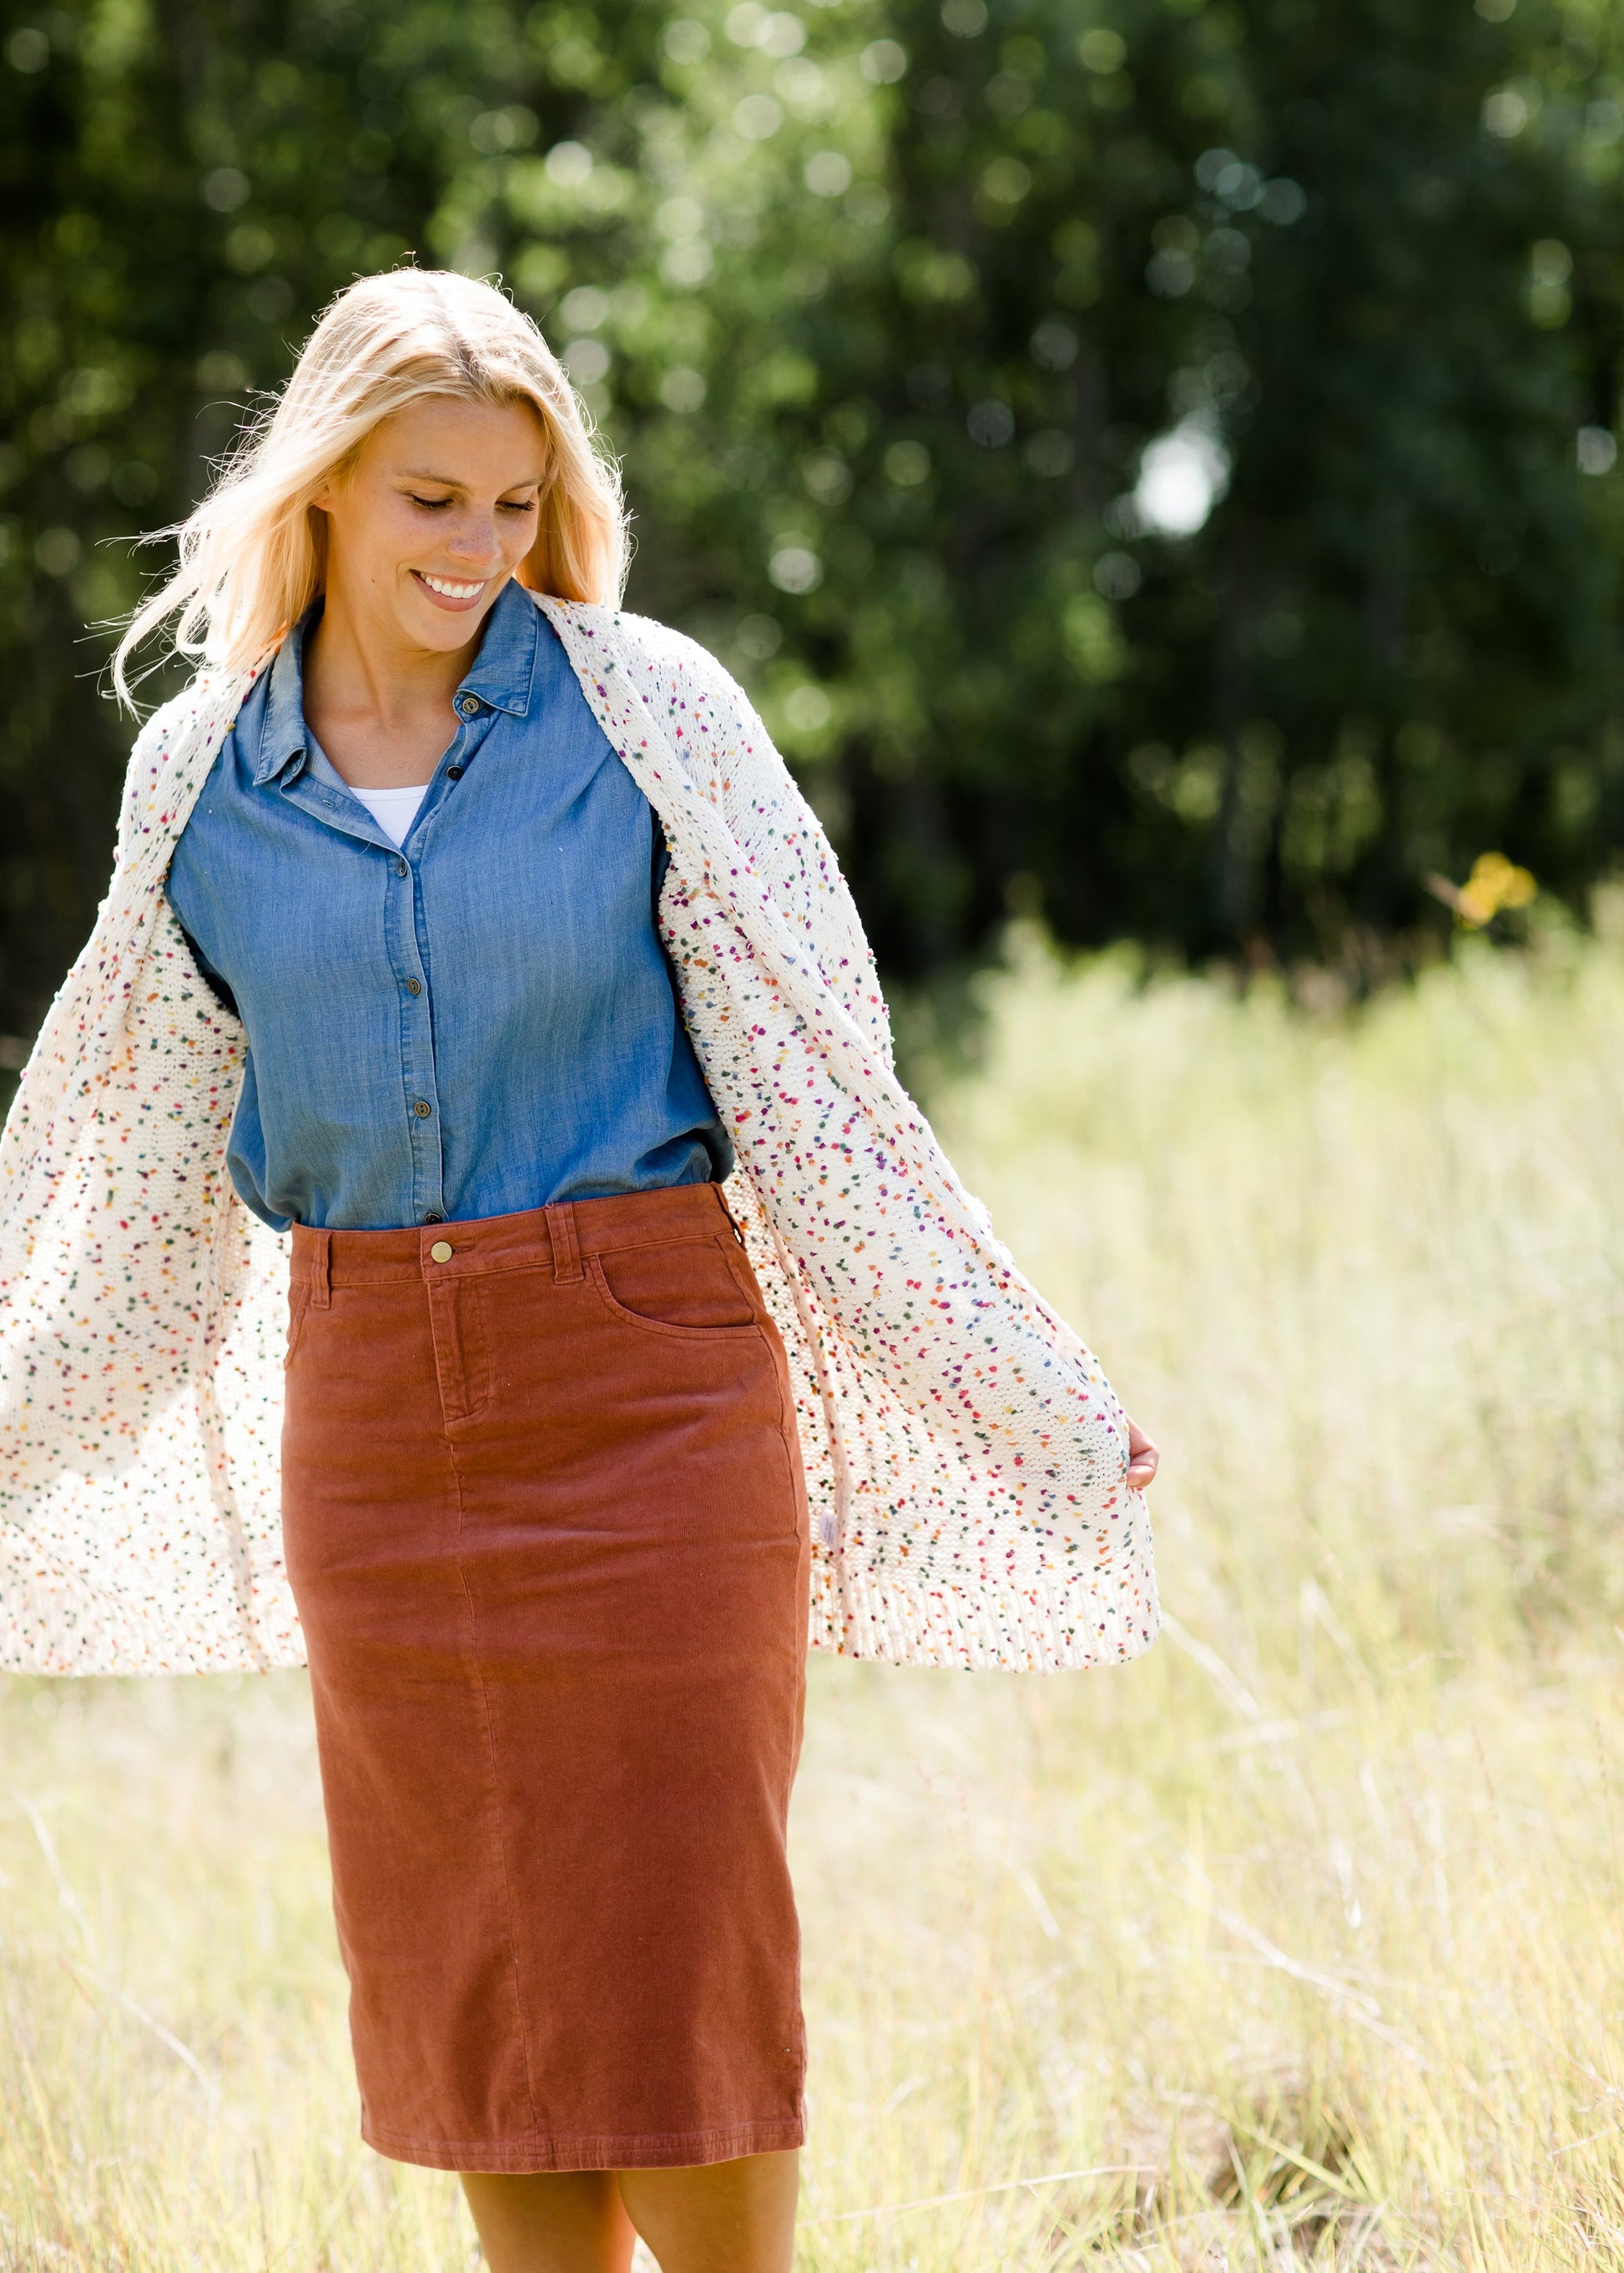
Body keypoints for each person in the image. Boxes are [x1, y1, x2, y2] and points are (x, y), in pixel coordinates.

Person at [0, 268, 1160, 2273]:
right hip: (370, 1428)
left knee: (684, 1939)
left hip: (651, 1393)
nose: (477, 549)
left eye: (514, 506)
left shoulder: (647, 710)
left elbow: (822, 1098)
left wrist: (1032, 1382)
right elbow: (128, 1212)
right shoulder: (196, 779)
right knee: (477, 1974)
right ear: (329, 489)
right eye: (432, 500)